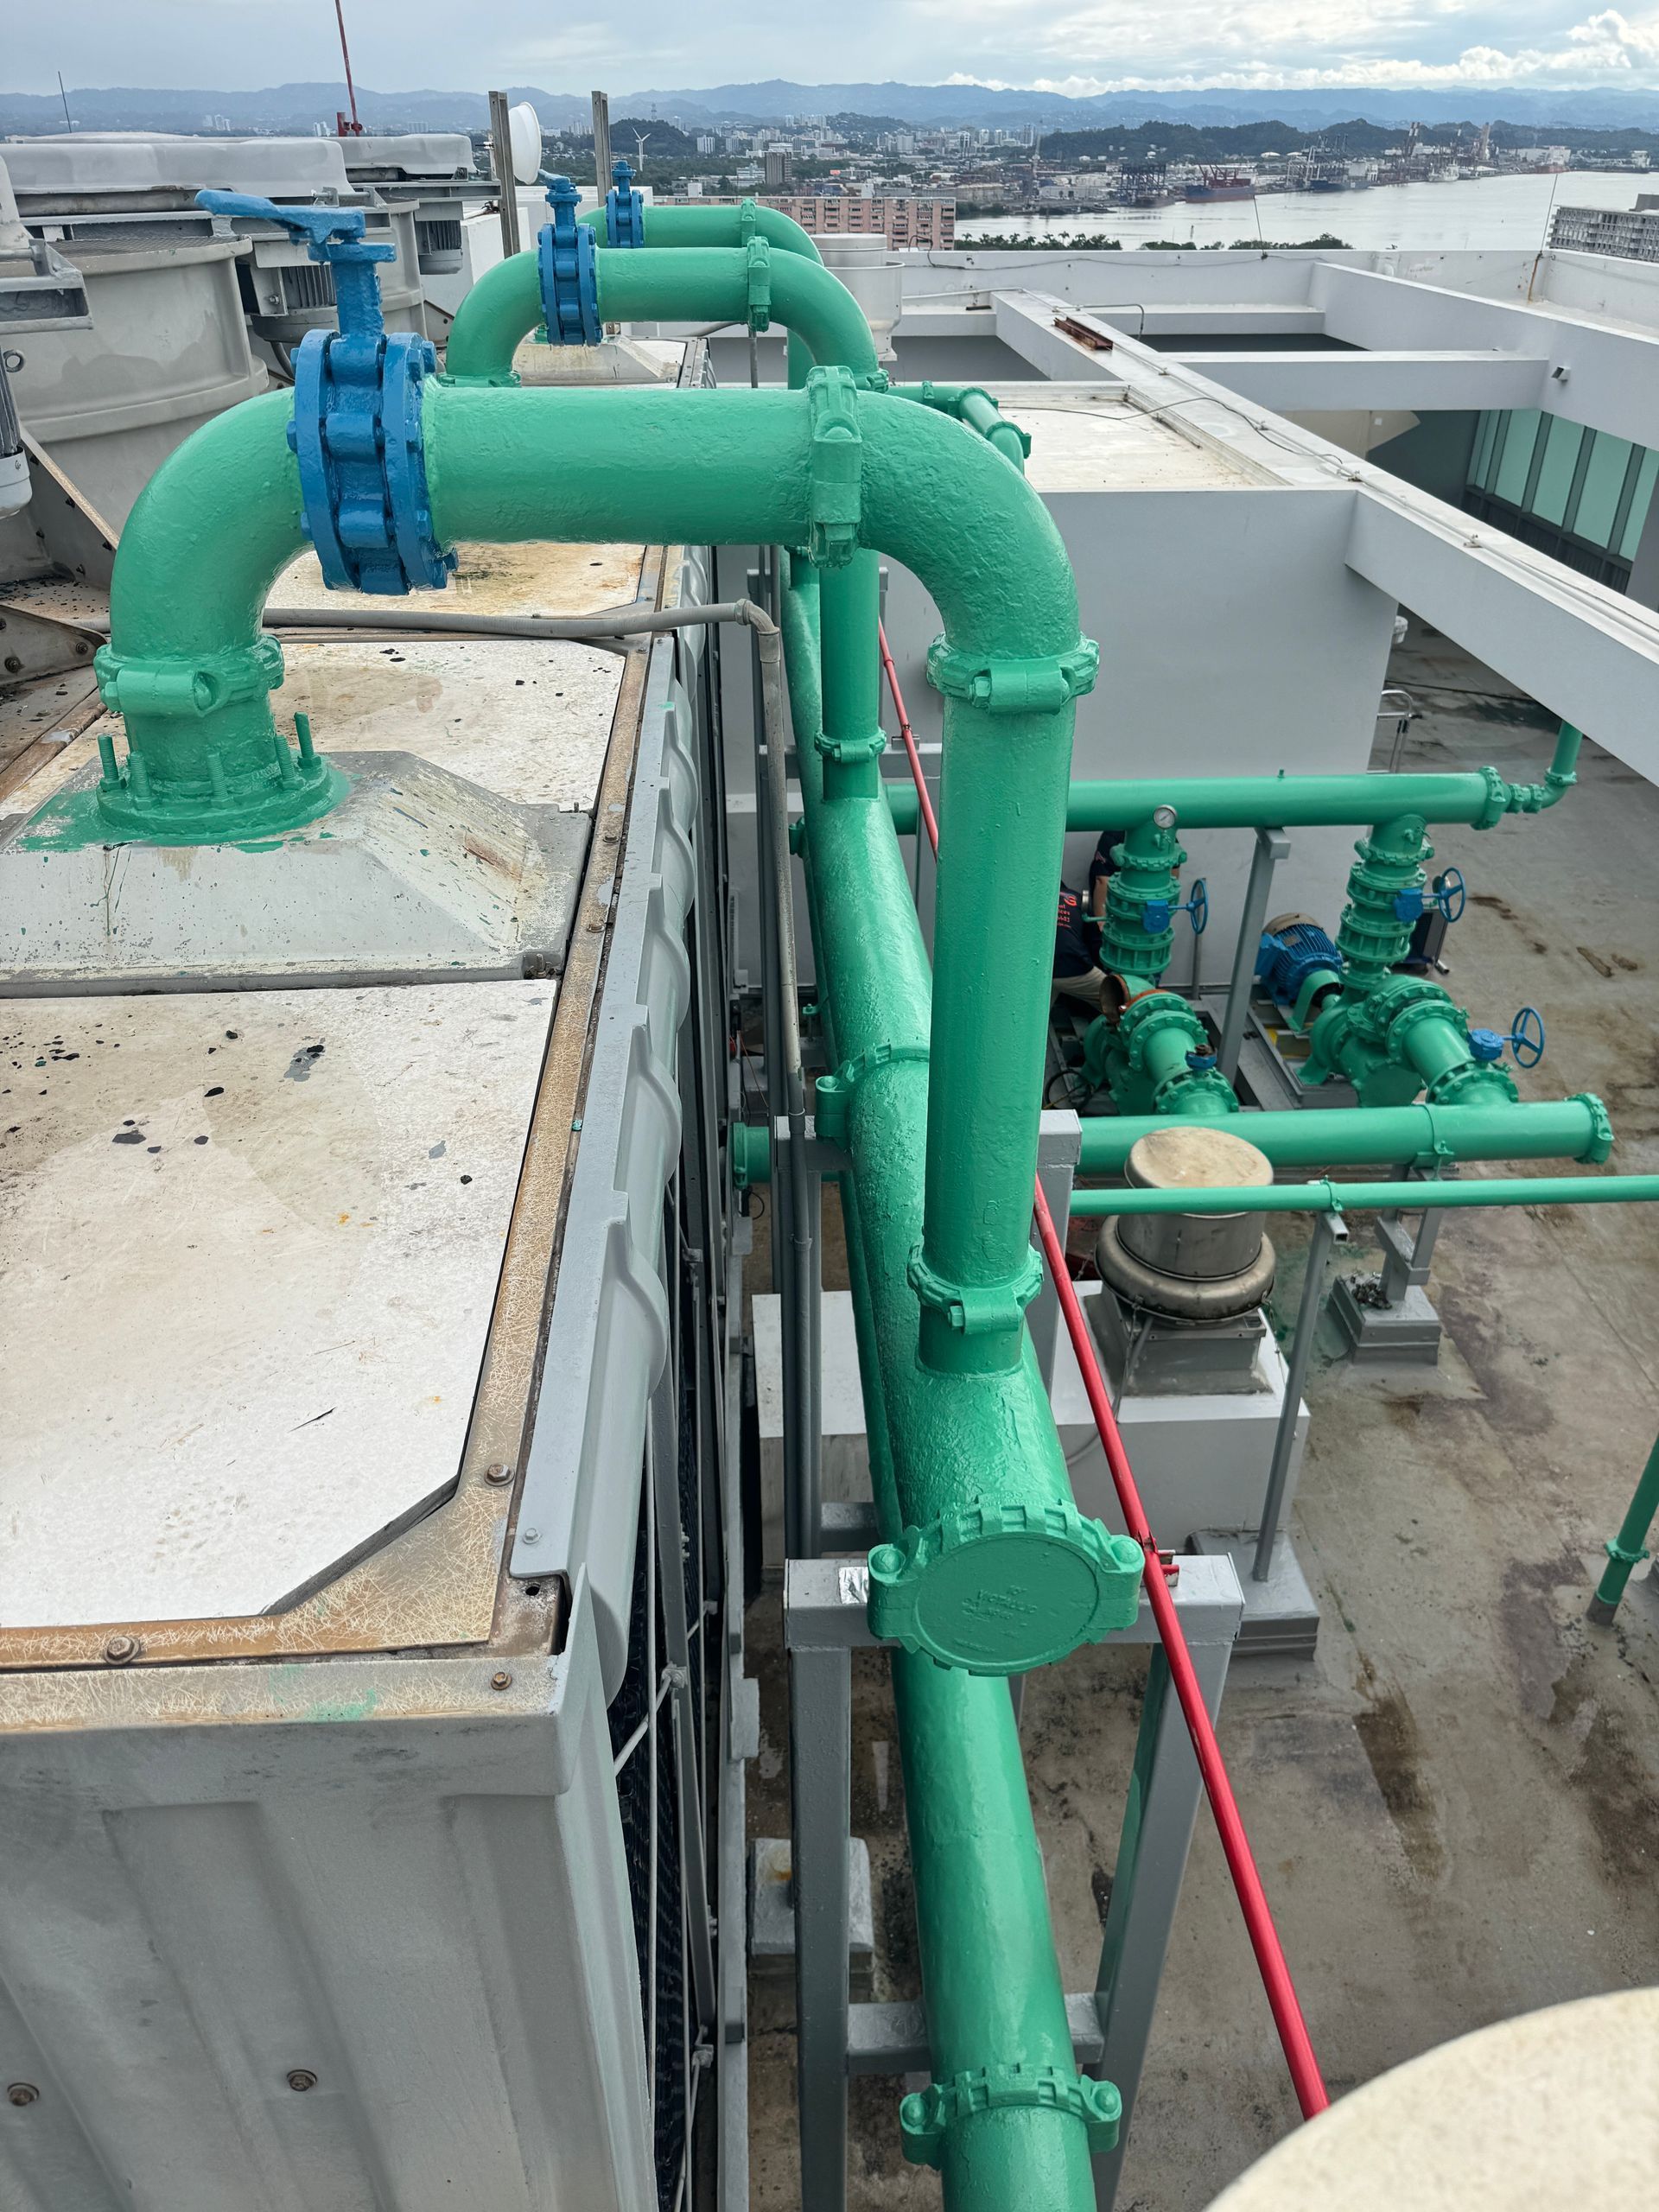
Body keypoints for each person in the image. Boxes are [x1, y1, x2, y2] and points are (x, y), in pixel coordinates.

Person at [1052, 829, 1128, 1007]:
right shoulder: (1077, 899)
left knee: (1038, 1007)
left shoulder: (1031, 905)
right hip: (1074, 968)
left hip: (1040, 969)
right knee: (1119, 1003)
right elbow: (1095, 941)